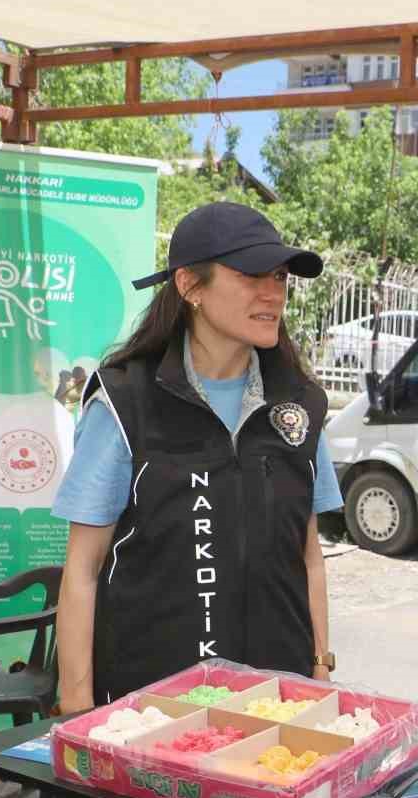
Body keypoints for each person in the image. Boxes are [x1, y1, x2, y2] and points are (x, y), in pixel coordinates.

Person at [53, 202, 344, 711]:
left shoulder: (301, 406)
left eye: (278, 276)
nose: (273, 292)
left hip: (277, 702)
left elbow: (308, 555)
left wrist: (320, 666)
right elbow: (83, 568)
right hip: (149, 708)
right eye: (251, 274)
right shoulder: (126, 401)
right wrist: (77, 708)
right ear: (190, 286)